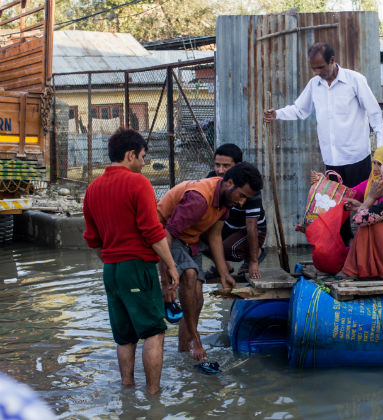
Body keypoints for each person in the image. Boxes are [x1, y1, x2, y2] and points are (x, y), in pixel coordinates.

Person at [83, 128, 179, 394]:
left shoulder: (92, 189)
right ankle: (153, 395)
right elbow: (152, 231)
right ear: (130, 155)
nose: (144, 163)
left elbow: (92, 239)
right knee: (153, 331)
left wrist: (113, 261)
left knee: (124, 336)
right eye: (143, 157)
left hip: (111, 271)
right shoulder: (139, 183)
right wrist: (170, 265)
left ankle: (127, 390)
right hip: (137, 267)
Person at [157, 162, 263, 361]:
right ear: (229, 183)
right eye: (241, 196)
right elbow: (166, 235)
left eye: (245, 199)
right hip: (164, 235)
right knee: (189, 274)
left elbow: (214, 236)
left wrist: (224, 273)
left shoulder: (225, 201)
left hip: (191, 239)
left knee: (197, 298)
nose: (241, 203)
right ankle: (195, 340)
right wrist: (165, 282)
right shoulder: (199, 199)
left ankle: (183, 350)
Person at [263, 41, 383, 197]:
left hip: (357, 158)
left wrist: (380, 152)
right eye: (313, 68)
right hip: (331, 159)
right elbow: (300, 110)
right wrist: (277, 114)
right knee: (336, 210)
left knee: (362, 206)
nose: (316, 72)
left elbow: (374, 114)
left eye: (320, 67)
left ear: (332, 60)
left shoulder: (355, 80)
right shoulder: (314, 84)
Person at [205, 143, 267, 280]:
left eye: (226, 166)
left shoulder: (248, 184)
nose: (220, 170)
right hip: (227, 225)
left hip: (250, 229)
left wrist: (253, 262)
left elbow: (252, 227)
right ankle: (223, 265)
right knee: (197, 240)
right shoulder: (211, 178)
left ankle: (257, 252)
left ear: (238, 166)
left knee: (227, 249)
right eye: (217, 165)